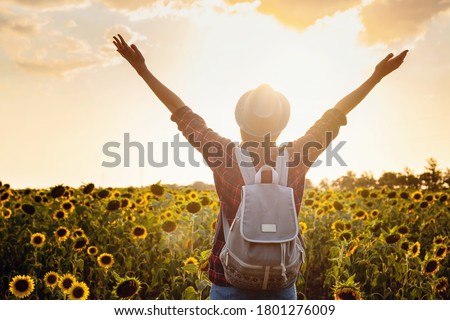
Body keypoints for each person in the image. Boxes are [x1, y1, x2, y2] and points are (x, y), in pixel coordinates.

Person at [112, 34, 408, 299]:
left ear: (241, 123)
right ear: (280, 125)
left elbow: (182, 113)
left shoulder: (224, 156)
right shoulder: (296, 156)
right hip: (281, 281)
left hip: (229, 281)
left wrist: (143, 70)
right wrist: (376, 77)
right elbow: (336, 114)